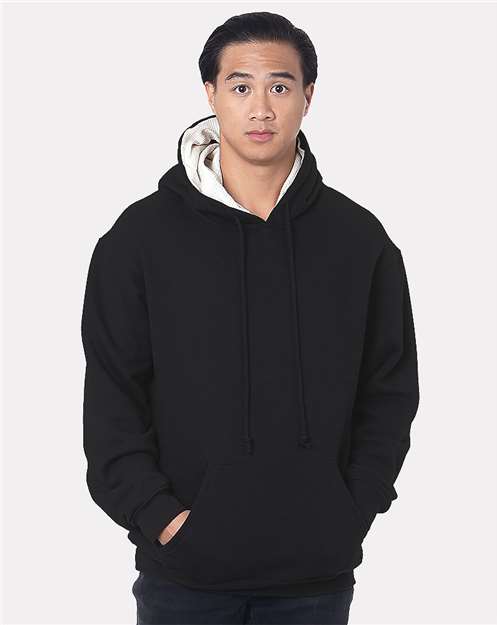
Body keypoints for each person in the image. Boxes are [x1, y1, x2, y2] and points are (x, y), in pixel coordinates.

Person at [80, 11, 419, 625]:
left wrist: (350, 511)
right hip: (183, 577)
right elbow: (112, 399)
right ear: (211, 94)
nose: (260, 108)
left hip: (315, 579)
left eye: (279, 86)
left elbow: (390, 392)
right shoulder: (139, 240)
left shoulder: (359, 241)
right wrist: (162, 519)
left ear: (307, 97)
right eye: (240, 86)